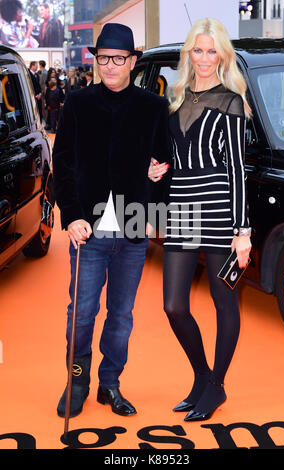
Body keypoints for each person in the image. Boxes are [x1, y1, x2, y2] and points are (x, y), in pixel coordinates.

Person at [52, 23, 171, 419]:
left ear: (133, 61)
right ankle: (77, 381)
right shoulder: (77, 103)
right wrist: (70, 216)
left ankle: (110, 384)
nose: (111, 66)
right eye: (103, 58)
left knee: (121, 314)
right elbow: (62, 162)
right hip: (88, 229)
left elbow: (164, 164)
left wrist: (158, 183)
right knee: (82, 312)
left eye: (119, 58)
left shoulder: (154, 108)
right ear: (96, 60)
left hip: (134, 227)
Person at [148, 17, 252, 421]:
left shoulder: (231, 101)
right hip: (182, 210)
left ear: (221, 55)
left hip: (221, 212)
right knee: (174, 305)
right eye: (198, 49)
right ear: (188, 53)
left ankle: (217, 386)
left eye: (212, 51)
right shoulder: (175, 98)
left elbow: (237, 171)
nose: (205, 58)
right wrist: (156, 170)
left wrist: (242, 231)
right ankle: (201, 375)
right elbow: (172, 155)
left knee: (223, 302)